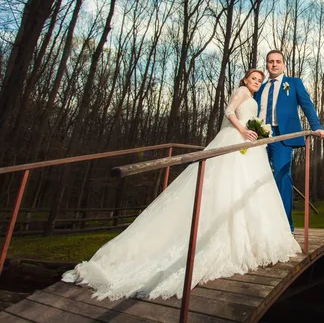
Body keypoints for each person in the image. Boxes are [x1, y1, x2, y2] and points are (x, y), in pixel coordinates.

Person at [62, 69, 301, 301]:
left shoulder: (252, 96)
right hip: (235, 139)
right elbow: (229, 111)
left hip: (249, 146)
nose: (257, 82)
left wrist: (256, 131)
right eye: (254, 78)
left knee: (245, 190)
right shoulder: (240, 91)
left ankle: (251, 237)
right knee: (225, 185)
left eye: (260, 79)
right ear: (245, 79)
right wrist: (243, 129)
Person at [255, 50, 324, 233]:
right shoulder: (260, 88)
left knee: (282, 176)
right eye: (271, 61)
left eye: (278, 61)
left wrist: (316, 125)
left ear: (284, 64)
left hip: (283, 136)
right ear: (267, 64)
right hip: (259, 136)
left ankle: (286, 226)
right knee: (254, 178)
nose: (274, 64)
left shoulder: (293, 83)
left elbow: (306, 104)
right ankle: (260, 226)